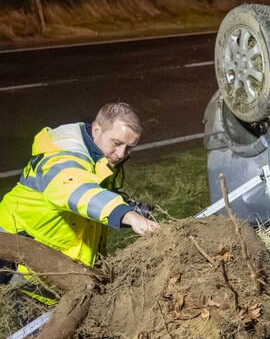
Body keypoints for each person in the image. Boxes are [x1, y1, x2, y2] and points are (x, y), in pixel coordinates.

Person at [0, 102, 159, 276]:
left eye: (129, 147)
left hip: (42, 251)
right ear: (97, 129)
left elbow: (93, 189)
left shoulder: (97, 154)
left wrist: (129, 207)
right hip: (15, 253)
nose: (121, 154)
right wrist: (128, 216)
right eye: (117, 143)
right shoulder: (62, 158)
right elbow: (78, 191)